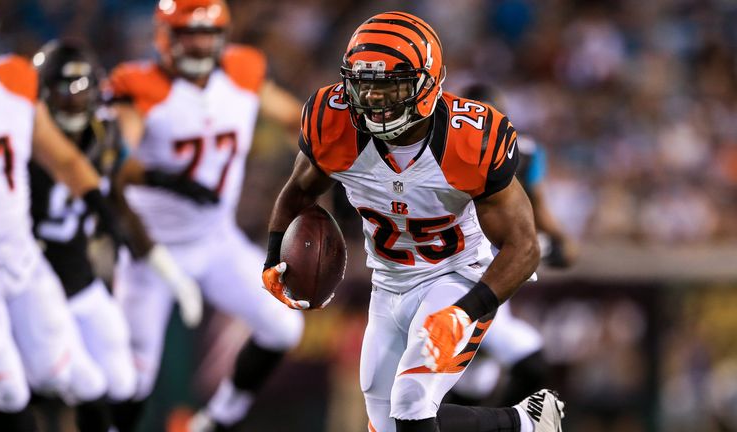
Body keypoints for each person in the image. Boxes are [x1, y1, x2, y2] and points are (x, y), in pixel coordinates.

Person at [262, 12, 565, 432]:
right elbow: (298, 191)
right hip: (388, 281)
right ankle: (525, 422)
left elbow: (525, 248)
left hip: (455, 273)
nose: (375, 101)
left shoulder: (469, 140)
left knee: (411, 399)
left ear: (428, 83)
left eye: (391, 87)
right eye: (364, 86)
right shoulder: (333, 123)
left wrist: (465, 311)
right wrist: (272, 256)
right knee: (384, 422)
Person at [107, 0, 305, 430]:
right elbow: (115, 158)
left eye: (206, 34)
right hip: (153, 251)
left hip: (217, 241)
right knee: (132, 378)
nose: (198, 45)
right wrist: (160, 176)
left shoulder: (242, 70)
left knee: (283, 326)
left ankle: (217, 420)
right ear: (165, 36)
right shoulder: (139, 83)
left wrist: (336, 166)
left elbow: (295, 120)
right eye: (187, 34)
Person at [29, 38, 203, 431]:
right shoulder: (21, 139)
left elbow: (120, 187)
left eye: (81, 88)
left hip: (81, 278)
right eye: (63, 88)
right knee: (63, 384)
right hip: (32, 281)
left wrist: (165, 181)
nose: (74, 99)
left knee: (123, 381)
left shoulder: (103, 132)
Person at [0, 1, 125, 430]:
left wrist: (100, 206)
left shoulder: (16, 81)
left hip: (21, 256)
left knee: (61, 373)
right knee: (9, 391)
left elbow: (58, 155)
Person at [448, 83, 579, 407]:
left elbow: (560, 243)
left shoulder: (520, 155)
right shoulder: (437, 155)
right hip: (448, 281)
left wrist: (547, 247)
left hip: (491, 291)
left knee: (473, 390)